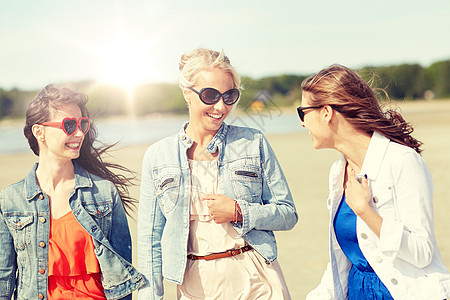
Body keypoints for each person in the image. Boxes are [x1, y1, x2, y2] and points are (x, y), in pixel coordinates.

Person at [137, 48, 298, 299]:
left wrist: (240, 211)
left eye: (229, 95)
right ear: (187, 93)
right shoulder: (158, 156)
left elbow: (288, 213)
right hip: (194, 286)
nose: (221, 106)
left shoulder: (253, 142)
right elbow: (149, 240)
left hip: (256, 279)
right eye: (210, 95)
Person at [299, 65, 450, 300]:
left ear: (326, 112)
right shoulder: (338, 171)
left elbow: (422, 252)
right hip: (357, 292)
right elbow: (343, 258)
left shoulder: (402, 161)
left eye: (303, 112)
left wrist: (365, 212)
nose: (302, 123)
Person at [0, 85, 145, 299]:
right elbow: (4, 277)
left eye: (82, 124)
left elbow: (121, 277)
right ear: (39, 132)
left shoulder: (104, 193)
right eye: (69, 125)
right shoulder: (11, 200)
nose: (79, 133)